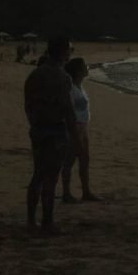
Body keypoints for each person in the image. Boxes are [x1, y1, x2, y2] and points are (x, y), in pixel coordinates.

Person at [24, 36, 77, 234]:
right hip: (55, 130)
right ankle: (47, 221)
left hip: (38, 128)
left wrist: (34, 123)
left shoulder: (35, 74)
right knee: (51, 177)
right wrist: (74, 136)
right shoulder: (62, 77)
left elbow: (28, 104)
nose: (71, 52)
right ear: (63, 52)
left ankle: (31, 220)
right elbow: (68, 109)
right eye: (70, 49)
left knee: (37, 174)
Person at [61, 57, 100, 203]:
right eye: (85, 66)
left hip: (83, 127)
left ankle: (86, 191)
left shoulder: (79, 86)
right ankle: (66, 193)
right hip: (74, 127)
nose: (87, 68)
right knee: (70, 161)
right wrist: (73, 132)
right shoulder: (71, 87)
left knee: (84, 160)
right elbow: (69, 110)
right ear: (78, 71)